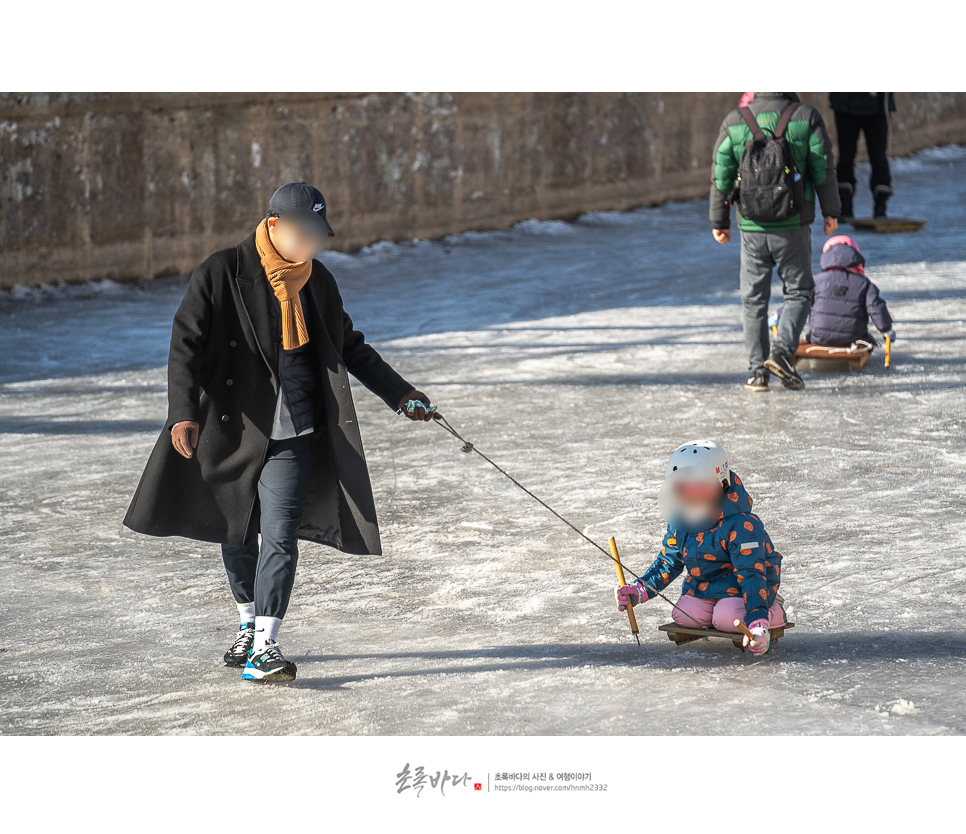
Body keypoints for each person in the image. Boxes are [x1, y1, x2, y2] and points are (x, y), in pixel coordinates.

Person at [124, 181, 435, 684]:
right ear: (273, 225)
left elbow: (349, 346)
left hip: (297, 431)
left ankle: (265, 646)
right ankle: (247, 624)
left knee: (281, 536)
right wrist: (182, 413)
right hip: (235, 427)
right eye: (303, 234)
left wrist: (401, 394)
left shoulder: (318, 282)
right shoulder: (222, 271)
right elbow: (186, 345)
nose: (311, 246)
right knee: (238, 531)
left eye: (318, 236)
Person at [710, 92, 841, 393]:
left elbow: (720, 172)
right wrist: (831, 211)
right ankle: (781, 352)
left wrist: (719, 221)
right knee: (799, 291)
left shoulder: (735, 119)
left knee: (753, 300)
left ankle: (757, 374)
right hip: (793, 224)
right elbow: (823, 165)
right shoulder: (805, 116)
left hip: (751, 226)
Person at [616, 441, 786, 656]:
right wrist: (640, 590)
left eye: (701, 484)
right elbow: (669, 561)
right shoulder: (681, 519)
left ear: (721, 482)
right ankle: (724, 608)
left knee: (727, 618)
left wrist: (757, 620)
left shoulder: (742, 524)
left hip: (748, 586)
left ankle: (772, 610)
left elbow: (751, 572)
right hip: (706, 585)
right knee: (684, 615)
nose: (692, 492)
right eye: (682, 485)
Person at [805, 234, 896, 347]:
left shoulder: (815, 281)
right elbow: (876, 308)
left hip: (819, 337)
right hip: (853, 339)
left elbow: (798, 301)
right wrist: (887, 330)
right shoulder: (864, 284)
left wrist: (779, 316)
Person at [829, 93, 896, 219]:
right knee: (846, 157)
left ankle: (880, 208)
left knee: (878, 157)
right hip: (846, 105)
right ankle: (845, 207)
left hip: (878, 105)